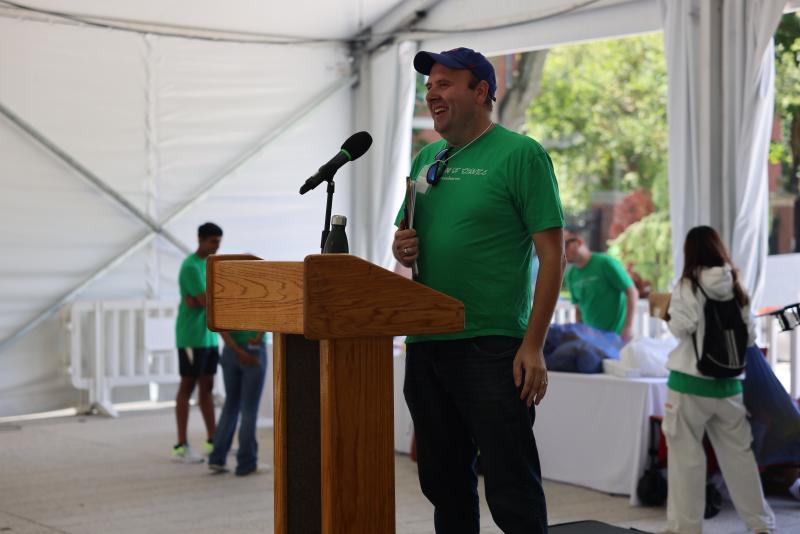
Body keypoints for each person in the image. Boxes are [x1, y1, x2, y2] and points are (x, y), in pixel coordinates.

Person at [393, 47, 565, 534]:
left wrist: (533, 345)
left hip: (491, 345)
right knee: (443, 486)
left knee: (511, 486)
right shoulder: (427, 157)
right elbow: (407, 245)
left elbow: (553, 256)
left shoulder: (521, 154)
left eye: (445, 83)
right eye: (429, 86)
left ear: (481, 91)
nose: (432, 92)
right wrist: (402, 247)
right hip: (427, 345)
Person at [663, 225, 774, 534]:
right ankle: (761, 525)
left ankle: (686, 529)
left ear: (690, 251)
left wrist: (666, 312)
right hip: (729, 386)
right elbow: (750, 337)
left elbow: (680, 329)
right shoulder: (736, 284)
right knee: (740, 460)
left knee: (687, 462)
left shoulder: (688, 284)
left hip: (688, 385)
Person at [172, 222, 223, 463]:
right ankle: (181, 444)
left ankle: (214, 440)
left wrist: (205, 299)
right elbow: (207, 301)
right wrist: (204, 299)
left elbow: (208, 299)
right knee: (187, 387)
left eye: (219, 241)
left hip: (210, 336)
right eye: (213, 241)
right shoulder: (191, 266)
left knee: (207, 388)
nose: (217, 246)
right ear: (200, 240)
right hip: (191, 337)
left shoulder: (212, 265)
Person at [208, 330, 268, 476]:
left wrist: (235, 349)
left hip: (230, 351)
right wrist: (258, 337)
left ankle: (217, 457)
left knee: (230, 406)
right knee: (249, 409)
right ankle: (247, 463)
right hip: (253, 347)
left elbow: (219, 325)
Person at [564, 227, 638, 341]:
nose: (562, 250)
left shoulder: (605, 263)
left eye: (565, 245)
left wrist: (628, 327)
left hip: (616, 337)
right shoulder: (571, 275)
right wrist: (580, 332)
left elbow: (632, 292)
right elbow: (578, 308)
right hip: (591, 339)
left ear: (579, 242)